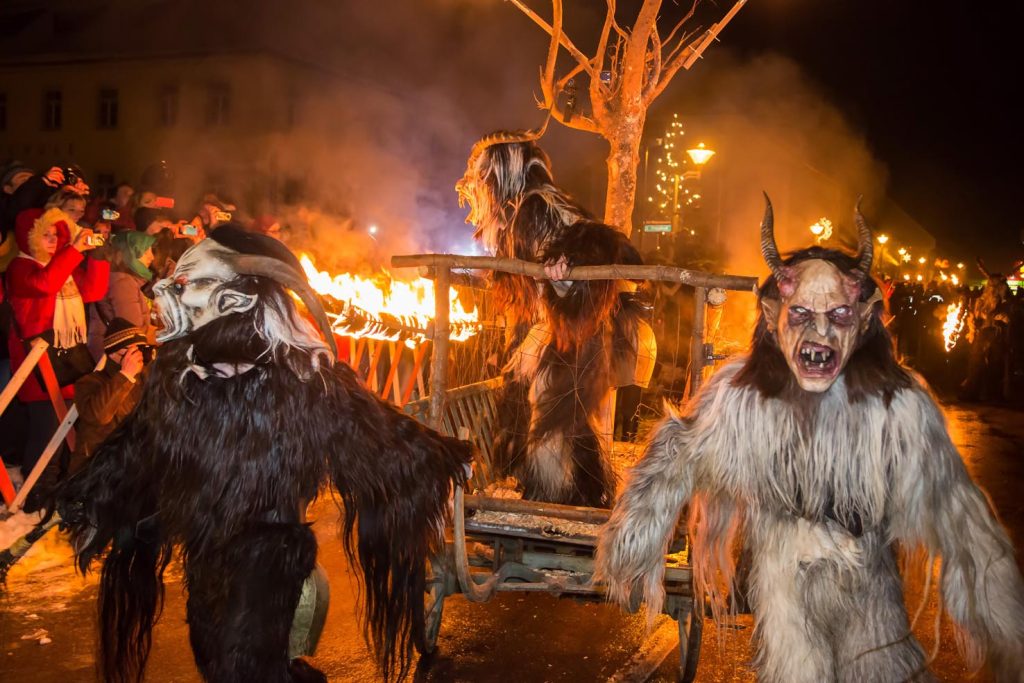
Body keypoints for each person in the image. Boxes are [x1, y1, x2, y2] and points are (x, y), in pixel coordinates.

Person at [596, 198, 1024, 681]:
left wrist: (1007, 628)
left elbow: (958, 511)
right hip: (787, 595)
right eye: (801, 315)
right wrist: (633, 540)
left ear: (863, 320)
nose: (819, 333)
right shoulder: (743, 397)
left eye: (838, 315)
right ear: (773, 314)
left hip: (870, 596)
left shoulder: (897, 406)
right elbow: (680, 450)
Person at [57, 225, 472, 683]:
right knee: (212, 651)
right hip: (205, 546)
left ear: (235, 300)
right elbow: (138, 444)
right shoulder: (177, 375)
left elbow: (375, 431)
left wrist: (442, 456)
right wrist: (89, 495)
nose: (164, 293)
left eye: (187, 284)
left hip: (267, 551)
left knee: (245, 663)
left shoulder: (301, 377)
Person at [4, 207, 109, 509]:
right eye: (44, 235)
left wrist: (99, 254)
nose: (51, 241)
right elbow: (45, 284)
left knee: (70, 427)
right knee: (45, 428)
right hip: (36, 362)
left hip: (68, 357)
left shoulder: (63, 265)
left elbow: (93, 290)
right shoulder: (21, 267)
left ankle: (59, 485)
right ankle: (34, 493)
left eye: (55, 235)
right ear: (29, 237)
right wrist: (74, 249)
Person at [70, 318, 147, 475]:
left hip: (134, 465)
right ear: (113, 353)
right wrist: (125, 375)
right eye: (130, 351)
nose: (137, 355)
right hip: (99, 470)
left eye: (139, 349)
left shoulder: (145, 379)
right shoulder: (90, 382)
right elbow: (98, 416)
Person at [87, 231, 157, 359]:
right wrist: (168, 335)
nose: (151, 257)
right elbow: (133, 331)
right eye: (145, 251)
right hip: (115, 358)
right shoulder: (122, 283)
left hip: (116, 355)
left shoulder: (122, 280)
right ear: (129, 254)